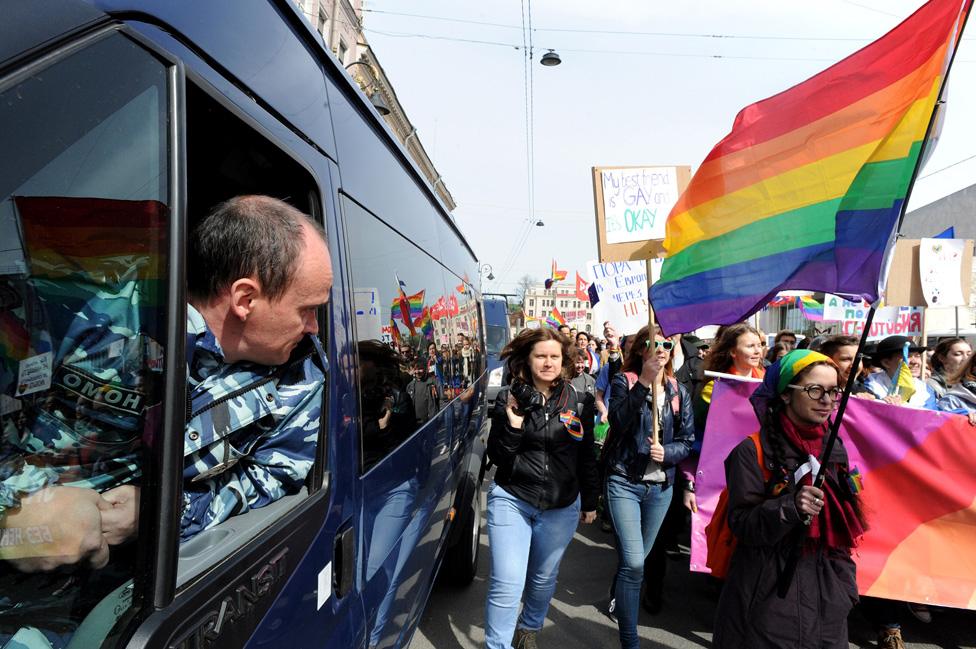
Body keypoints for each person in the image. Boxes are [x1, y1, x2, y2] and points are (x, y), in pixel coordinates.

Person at [713, 350, 867, 649]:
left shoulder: (834, 446)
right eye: (814, 390)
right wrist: (790, 506)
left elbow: (845, 520)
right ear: (785, 394)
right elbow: (742, 524)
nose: (826, 400)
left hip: (827, 596)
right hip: (766, 596)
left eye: (833, 391)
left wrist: (845, 588)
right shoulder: (750, 451)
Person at [484, 328, 599, 649]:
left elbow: (587, 453)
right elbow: (497, 457)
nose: (547, 363)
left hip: (561, 506)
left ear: (564, 361)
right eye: (540, 356)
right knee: (507, 583)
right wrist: (513, 425)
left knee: (543, 580)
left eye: (554, 356)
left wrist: (590, 500)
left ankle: (528, 629)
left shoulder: (579, 400)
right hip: (512, 499)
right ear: (528, 359)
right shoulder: (510, 397)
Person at [602, 326, 694, 648]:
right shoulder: (623, 381)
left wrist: (667, 452)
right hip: (624, 481)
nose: (662, 348)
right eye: (654, 343)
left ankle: (619, 593)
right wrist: (643, 382)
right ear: (642, 349)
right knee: (635, 563)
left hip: (660, 490)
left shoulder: (678, 391)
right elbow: (617, 421)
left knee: (634, 562)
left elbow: (688, 441)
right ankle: (631, 641)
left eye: (667, 343)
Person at [863, 336, 937, 409]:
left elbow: (932, 417)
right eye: (907, 356)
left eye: (917, 356)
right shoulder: (868, 387)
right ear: (886, 363)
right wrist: (881, 405)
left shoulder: (926, 390)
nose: (915, 362)